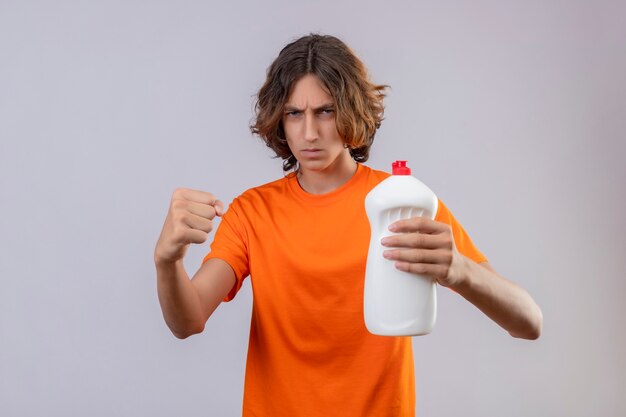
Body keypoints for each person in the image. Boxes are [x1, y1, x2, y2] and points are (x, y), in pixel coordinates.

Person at [155, 34, 543, 417]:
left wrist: (460, 270)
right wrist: (167, 262)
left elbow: (528, 321)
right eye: (294, 113)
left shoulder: (401, 202)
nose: (309, 133)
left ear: (351, 109)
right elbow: (188, 320)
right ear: (279, 119)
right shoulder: (252, 212)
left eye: (325, 111)